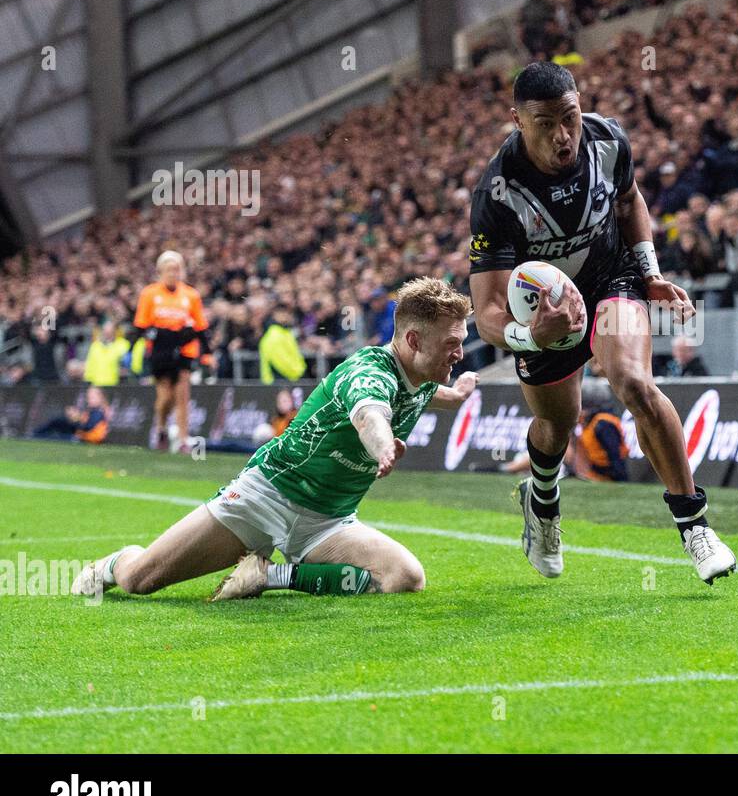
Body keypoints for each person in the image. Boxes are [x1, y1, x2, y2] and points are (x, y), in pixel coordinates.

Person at [467, 62, 736, 585]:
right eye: (545, 122)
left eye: (569, 116)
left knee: (634, 383)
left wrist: (650, 272)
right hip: (543, 314)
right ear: (517, 121)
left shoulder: (608, 139)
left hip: (611, 278)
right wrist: (531, 335)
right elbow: (488, 312)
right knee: (557, 424)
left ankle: (695, 524)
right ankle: (542, 500)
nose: (563, 135)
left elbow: (631, 199)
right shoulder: (496, 194)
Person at [72, 278, 478, 601]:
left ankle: (270, 575)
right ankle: (112, 564)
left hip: (328, 522)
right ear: (412, 341)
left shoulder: (423, 376)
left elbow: (427, 394)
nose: (460, 353)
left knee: (404, 577)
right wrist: (384, 446)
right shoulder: (368, 372)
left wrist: (456, 395)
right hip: (266, 497)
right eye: (452, 344)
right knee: (141, 581)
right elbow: (370, 412)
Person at [132, 251, 209, 453]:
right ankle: (161, 426)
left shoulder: (191, 295)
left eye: (176, 269)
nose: (173, 273)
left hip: (184, 350)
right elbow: (141, 325)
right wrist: (141, 343)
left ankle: (183, 439)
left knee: (182, 394)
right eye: (169, 269)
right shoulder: (149, 294)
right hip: (160, 351)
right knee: (165, 396)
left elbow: (200, 327)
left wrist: (206, 352)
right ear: (160, 271)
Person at [34, 387, 110, 444]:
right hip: (80, 436)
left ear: (100, 398)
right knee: (58, 421)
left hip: (85, 440)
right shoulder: (92, 411)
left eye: (92, 397)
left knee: (53, 436)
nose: (89, 399)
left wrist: (76, 418)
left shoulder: (99, 412)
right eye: (88, 397)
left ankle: (35, 436)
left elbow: (87, 427)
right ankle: (35, 434)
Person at [83, 321, 130, 387]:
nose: (107, 334)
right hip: (97, 384)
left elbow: (126, 364)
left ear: (115, 331)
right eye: (105, 331)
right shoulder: (95, 346)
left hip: (116, 384)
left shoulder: (123, 344)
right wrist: (88, 381)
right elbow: (90, 365)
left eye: (110, 331)